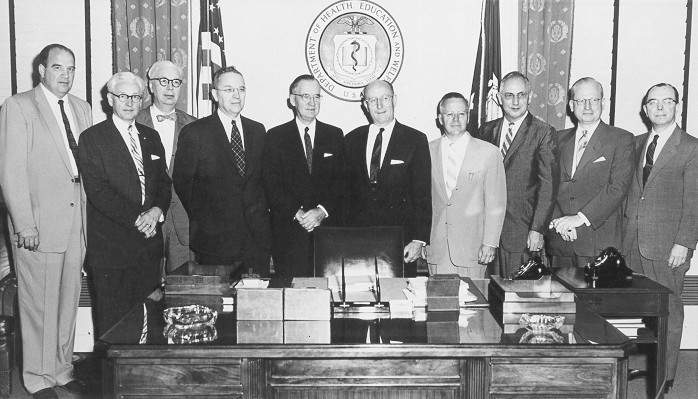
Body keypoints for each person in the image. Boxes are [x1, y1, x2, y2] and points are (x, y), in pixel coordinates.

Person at [0, 43, 91, 399]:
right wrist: (24, 224)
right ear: (41, 70)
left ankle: (62, 369)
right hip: (37, 224)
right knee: (38, 303)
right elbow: (11, 173)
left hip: (75, 223)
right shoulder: (20, 106)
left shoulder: (82, 108)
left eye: (70, 68)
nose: (65, 75)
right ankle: (37, 378)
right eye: (57, 68)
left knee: (68, 301)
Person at [78, 72, 171, 337]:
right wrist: (140, 219)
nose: (129, 102)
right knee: (113, 328)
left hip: (148, 247)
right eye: (122, 96)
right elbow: (99, 191)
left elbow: (164, 183)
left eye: (135, 97)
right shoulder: (93, 138)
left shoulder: (150, 137)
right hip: (112, 250)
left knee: (149, 322)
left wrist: (156, 211)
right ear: (110, 100)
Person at [622, 83, 698, 394]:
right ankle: (642, 366)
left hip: (668, 248)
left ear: (677, 106)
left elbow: (694, 200)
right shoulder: (637, 143)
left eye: (667, 101)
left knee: (669, 314)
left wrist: (685, 242)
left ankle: (663, 380)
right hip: (632, 244)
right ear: (645, 109)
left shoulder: (691, 148)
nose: (660, 107)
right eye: (653, 102)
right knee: (635, 313)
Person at [173, 66, 271, 276]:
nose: (236, 95)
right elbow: (183, 183)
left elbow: (262, 182)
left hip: (255, 240)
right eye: (229, 90)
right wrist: (208, 219)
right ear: (215, 94)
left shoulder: (258, 130)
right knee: (218, 305)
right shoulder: (195, 132)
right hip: (214, 241)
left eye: (241, 89)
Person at [263, 75, 347, 277]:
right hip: (289, 235)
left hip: (327, 236)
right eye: (305, 96)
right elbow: (271, 183)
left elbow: (342, 182)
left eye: (317, 97)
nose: (312, 103)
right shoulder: (275, 137)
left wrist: (321, 211)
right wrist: (298, 213)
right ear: (293, 100)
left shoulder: (335, 135)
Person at [344, 80, 431, 274]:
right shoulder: (351, 140)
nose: (380, 105)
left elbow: (423, 194)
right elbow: (344, 194)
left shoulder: (415, 140)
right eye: (373, 100)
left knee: (399, 299)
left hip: (401, 243)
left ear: (395, 100)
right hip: (358, 242)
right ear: (365, 105)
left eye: (385, 98)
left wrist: (419, 239)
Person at [477, 71, 559, 278]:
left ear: (530, 97)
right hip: (487, 233)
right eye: (509, 95)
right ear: (498, 98)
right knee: (488, 296)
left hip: (523, 234)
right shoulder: (486, 131)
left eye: (521, 95)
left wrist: (538, 229)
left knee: (520, 297)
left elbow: (548, 186)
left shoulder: (544, 132)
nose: (515, 102)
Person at [547, 77, 635, 268]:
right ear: (571, 105)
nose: (587, 106)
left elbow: (617, 188)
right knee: (562, 298)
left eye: (593, 100)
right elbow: (548, 185)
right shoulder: (557, 139)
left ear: (602, 102)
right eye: (581, 101)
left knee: (596, 299)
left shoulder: (621, 139)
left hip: (598, 244)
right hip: (561, 242)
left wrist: (579, 219)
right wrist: (558, 222)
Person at [428, 92, 506, 278]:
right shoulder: (426, 151)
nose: (456, 119)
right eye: (449, 114)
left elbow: (496, 203)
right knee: (439, 305)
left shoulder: (489, 153)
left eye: (461, 114)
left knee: (473, 304)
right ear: (440, 118)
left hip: (473, 248)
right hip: (437, 248)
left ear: (468, 117)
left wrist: (490, 242)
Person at [135, 60, 197, 273]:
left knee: (182, 290)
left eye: (176, 82)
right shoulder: (133, 121)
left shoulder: (195, 126)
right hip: (145, 221)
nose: (170, 88)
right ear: (150, 86)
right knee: (147, 290)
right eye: (163, 81)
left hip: (184, 225)